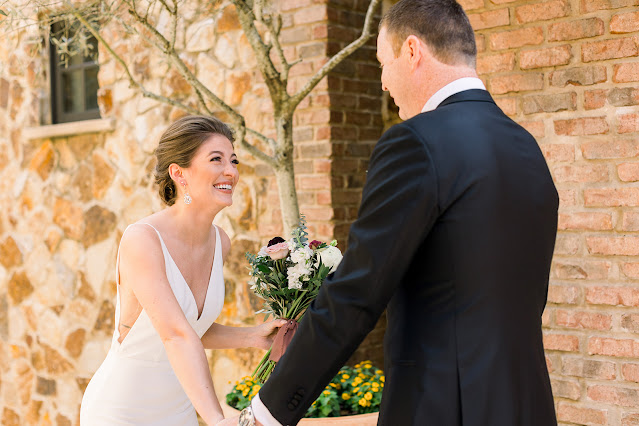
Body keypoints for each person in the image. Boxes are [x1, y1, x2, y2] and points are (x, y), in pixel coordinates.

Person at [224, 0, 559, 424]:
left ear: (413, 52)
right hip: (525, 405)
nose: (383, 83)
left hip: (443, 409)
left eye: (383, 63)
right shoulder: (525, 146)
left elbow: (357, 293)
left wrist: (267, 412)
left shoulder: (415, 143)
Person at [80, 115, 286, 425]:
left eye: (233, 160)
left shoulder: (221, 242)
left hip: (178, 411)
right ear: (179, 173)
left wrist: (253, 336)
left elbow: (191, 327)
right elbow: (175, 335)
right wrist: (216, 420)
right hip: (121, 410)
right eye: (216, 160)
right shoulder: (143, 239)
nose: (231, 171)